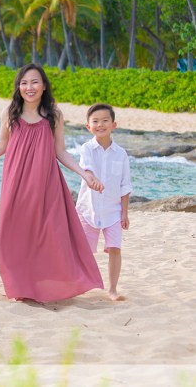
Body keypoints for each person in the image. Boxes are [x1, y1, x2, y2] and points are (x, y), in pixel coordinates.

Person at [0, 64, 104, 302]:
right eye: (24, 83)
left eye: (35, 82)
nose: (29, 87)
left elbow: (61, 151)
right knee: (14, 234)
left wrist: (84, 173)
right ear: (18, 87)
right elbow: (1, 145)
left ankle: (47, 287)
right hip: (16, 182)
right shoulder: (10, 113)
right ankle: (20, 287)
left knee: (50, 236)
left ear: (44, 85)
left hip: (46, 183)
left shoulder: (53, 115)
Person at [76, 103, 132, 301]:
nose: (100, 125)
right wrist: (93, 179)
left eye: (105, 121)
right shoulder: (86, 149)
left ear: (114, 124)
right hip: (87, 209)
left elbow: (125, 185)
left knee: (115, 249)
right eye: (95, 121)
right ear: (88, 126)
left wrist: (124, 213)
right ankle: (79, 285)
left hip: (113, 211)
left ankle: (113, 289)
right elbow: (87, 168)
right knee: (83, 251)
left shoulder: (121, 154)